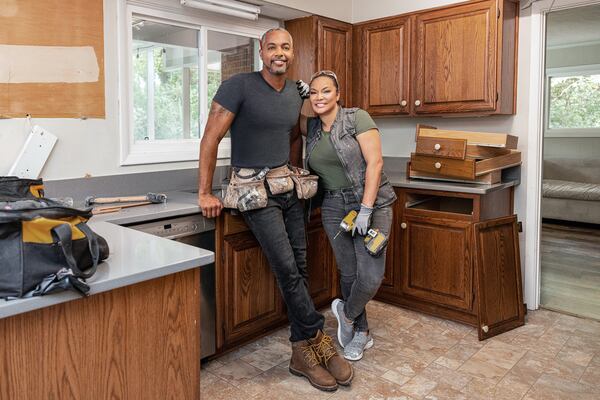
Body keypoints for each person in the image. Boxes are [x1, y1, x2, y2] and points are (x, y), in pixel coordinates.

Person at [197, 29, 352, 392]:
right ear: (261, 53)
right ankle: (318, 337)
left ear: (292, 52)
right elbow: (210, 138)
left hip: (288, 190)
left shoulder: (297, 93)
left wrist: (298, 173)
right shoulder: (239, 86)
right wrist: (204, 192)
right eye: (272, 47)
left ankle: (300, 353)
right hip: (254, 193)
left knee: (299, 265)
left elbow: (294, 136)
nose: (279, 53)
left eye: (285, 47)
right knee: (285, 267)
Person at [299, 70, 397, 361]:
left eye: (326, 91)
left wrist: (366, 208)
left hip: (374, 204)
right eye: (314, 92)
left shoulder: (357, 118)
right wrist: (298, 95)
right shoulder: (313, 128)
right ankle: (361, 333)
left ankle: (347, 312)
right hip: (333, 207)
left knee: (370, 275)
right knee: (350, 272)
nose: (319, 97)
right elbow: (294, 116)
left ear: (338, 94)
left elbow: (375, 163)